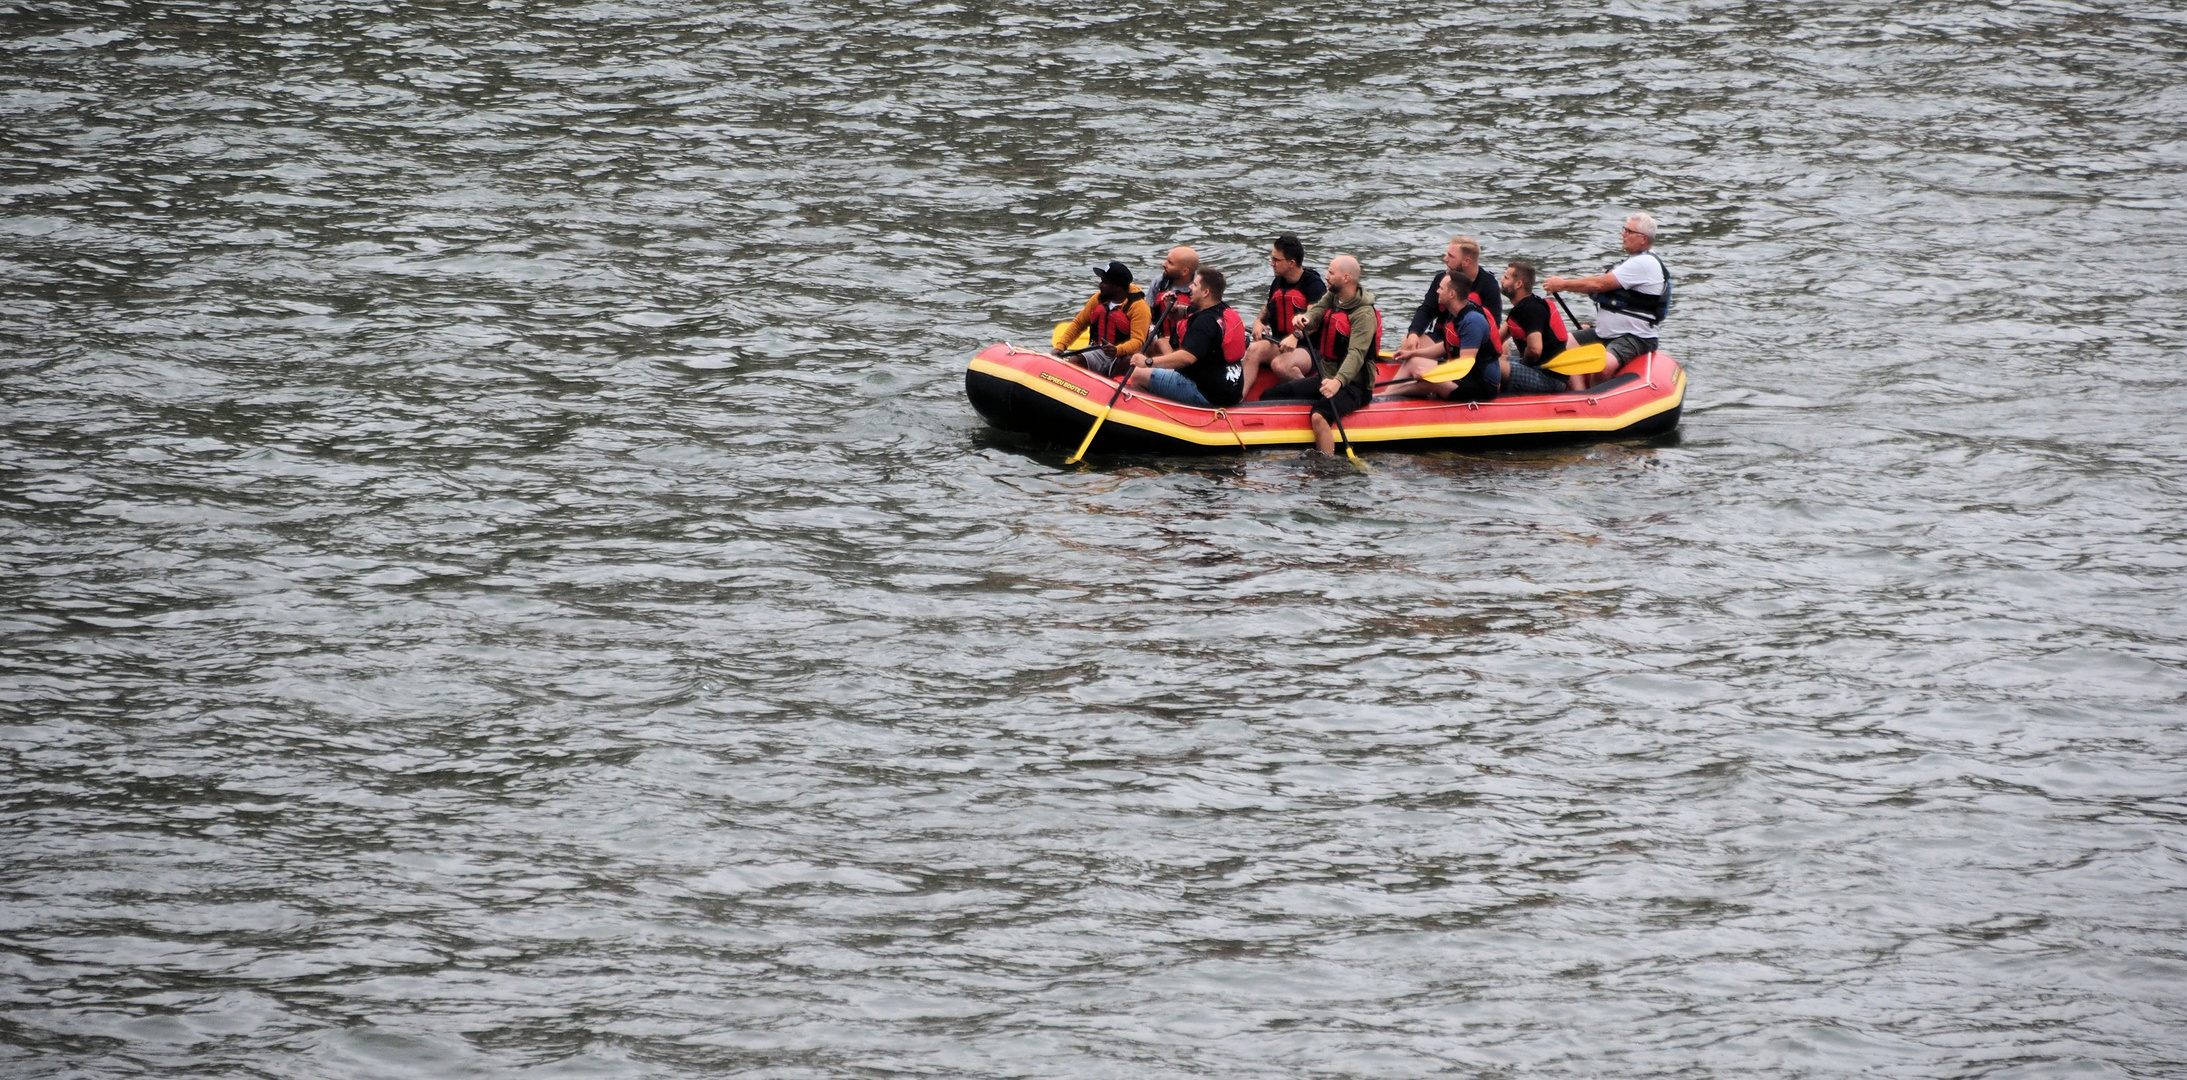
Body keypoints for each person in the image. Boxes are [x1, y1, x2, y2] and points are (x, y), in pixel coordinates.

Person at [1260, 255, 1379, 454]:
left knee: (1319, 415)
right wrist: (1303, 319)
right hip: (1326, 377)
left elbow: (1356, 354)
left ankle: (1326, 464)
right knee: (1270, 395)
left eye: (1331, 273)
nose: (1326, 276)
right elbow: (1316, 313)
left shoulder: (1364, 315)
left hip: (1353, 385)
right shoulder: (1334, 296)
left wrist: (1338, 382)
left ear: (1346, 278)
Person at [1388, 270, 1565, 400]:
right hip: (1466, 377)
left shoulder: (1472, 321)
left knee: (1427, 382)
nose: (1437, 291)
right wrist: (1412, 354)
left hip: (1480, 385)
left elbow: (1465, 366)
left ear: (1452, 294)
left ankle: (1382, 399)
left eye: (1440, 288)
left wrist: (1432, 374)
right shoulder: (1456, 313)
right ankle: (1385, 397)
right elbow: (1445, 346)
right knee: (1412, 362)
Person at [1543, 213, 1670, 382]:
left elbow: (1599, 285)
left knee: (1602, 367)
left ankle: (1593, 401)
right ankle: (1579, 395)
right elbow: (1598, 282)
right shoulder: (1630, 262)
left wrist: (1563, 284)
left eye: (1628, 231)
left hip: (1634, 337)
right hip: (1605, 333)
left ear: (1643, 238)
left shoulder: (1645, 263)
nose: (1623, 234)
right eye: (1624, 229)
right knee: (1557, 351)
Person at [1124, 268, 1247, 408]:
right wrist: (1173, 309)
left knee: (1138, 375)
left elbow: (1187, 358)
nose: (1190, 287)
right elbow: (1184, 312)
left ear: (1206, 292)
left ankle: (1154, 416)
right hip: (1229, 389)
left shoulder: (1204, 323)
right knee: (1165, 369)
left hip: (1206, 393)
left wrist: (1148, 361)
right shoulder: (1223, 310)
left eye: (1194, 285)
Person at [1237, 234, 1327, 396]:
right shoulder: (1278, 281)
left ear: (1291, 263)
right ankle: (1238, 397)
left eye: (1276, 260)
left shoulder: (1314, 284)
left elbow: (1314, 321)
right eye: (1272, 258)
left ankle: (1312, 395)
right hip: (1279, 343)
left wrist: (1295, 336)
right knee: (1254, 349)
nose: (1272, 263)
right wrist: (1258, 322)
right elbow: (1267, 309)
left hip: (1310, 349)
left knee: (1280, 365)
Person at [1401, 236, 1501, 357]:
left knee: (1503, 347)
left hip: (1471, 340)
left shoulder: (1488, 285)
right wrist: (1413, 333)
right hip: (1442, 337)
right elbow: (1427, 310)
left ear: (1466, 262)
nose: (1445, 259)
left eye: (1451, 256)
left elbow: (1494, 324)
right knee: (1407, 342)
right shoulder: (1442, 279)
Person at [1056, 260, 1150, 369]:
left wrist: (1117, 350)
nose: (1100, 285)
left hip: (1123, 355)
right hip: (1098, 351)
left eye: (1104, 282)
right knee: (1075, 360)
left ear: (1118, 288)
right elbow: (1078, 324)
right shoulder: (1098, 299)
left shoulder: (1139, 307)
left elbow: (1138, 341)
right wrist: (1060, 347)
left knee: (1127, 362)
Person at [1499, 259, 1575, 389]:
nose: (1501, 280)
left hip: (1547, 377)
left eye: (1506, 278)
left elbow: (1534, 350)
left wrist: (1523, 364)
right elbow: (1495, 339)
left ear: (1518, 284)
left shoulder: (1532, 310)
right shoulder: (1520, 308)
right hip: (1535, 368)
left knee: (1489, 365)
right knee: (1488, 360)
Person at [1145, 245, 1200, 353]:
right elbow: (1148, 310)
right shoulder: (1160, 283)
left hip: (1187, 341)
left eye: (1170, 263)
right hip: (1160, 337)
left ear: (1185, 271)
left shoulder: (1200, 288)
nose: (1163, 264)